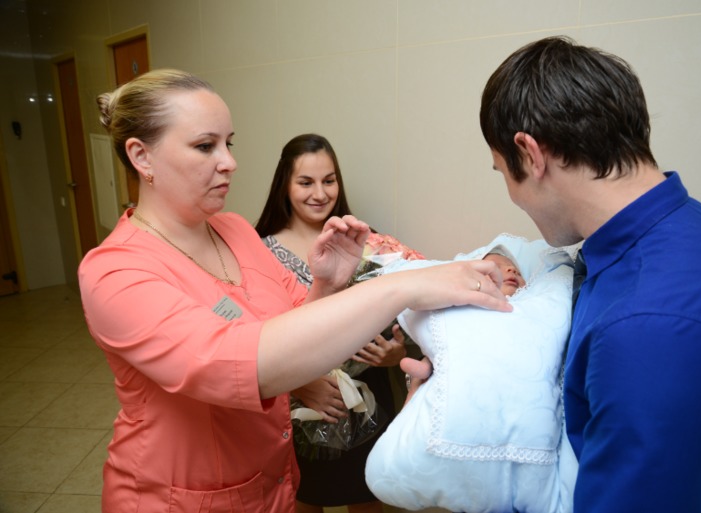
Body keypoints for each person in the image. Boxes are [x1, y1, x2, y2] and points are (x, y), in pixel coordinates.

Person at [78, 69, 510, 513]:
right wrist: (401, 287)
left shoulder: (235, 230)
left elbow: (295, 325)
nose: (229, 162)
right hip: (180, 498)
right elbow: (248, 365)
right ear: (142, 156)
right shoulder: (115, 271)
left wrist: (326, 283)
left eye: (229, 144)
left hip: (273, 483)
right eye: (206, 146)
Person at [474, 36, 701, 512]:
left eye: (502, 172)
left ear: (530, 154)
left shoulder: (648, 329)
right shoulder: (681, 222)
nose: (511, 195)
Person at [365, 234, 578, 513]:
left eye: (517, 270)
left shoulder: (538, 307)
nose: (510, 269)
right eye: (495, 267)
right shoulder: (456, 311)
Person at [255, 133, 411, 513]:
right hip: (299, 399)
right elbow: (253, 342)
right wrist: (301, 385)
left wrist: (397, 353)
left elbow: (401, 313)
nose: (320, 193)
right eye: (305, 182)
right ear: (284, 184)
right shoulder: (258, 252)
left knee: (369, 493)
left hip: (369, 394)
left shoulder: (366, 240)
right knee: (305, 495)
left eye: (329, 180)